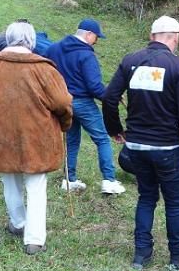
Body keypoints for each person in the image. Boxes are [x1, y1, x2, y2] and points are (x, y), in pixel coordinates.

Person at [0, 21, 73, 256]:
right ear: (31, 41)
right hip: (38, 138)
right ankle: (34, 239)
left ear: (8, 40)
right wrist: (65, 122)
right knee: (35, 186)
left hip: (1, 138)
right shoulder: (44, 69)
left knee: (10, 181)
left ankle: (18, 222)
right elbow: (63, 102)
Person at [103, 15, 179, 270]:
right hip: (167, 147)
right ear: (174, 38)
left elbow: (110, 98)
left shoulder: (130, 61)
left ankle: (141, 255)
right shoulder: (178, 67)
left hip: (136, 147)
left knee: (146, 198)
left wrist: (115, 129)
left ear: (151, 35)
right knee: (175, 202)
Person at [46, 19, 125, 195]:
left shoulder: (53, 49)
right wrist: (111, 97)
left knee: (72, 140)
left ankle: (69, 180)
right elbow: (94, 87)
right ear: (89, 34)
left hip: (62, 103)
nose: (96, 41)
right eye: (96, 37)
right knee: (102, 138)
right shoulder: (87, 55)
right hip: (82, 102)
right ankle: (109, 181)